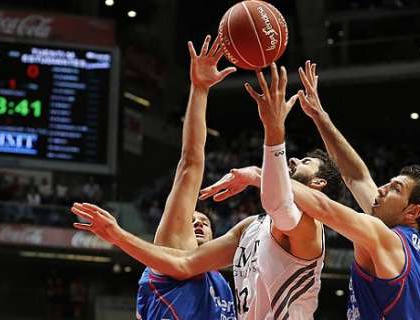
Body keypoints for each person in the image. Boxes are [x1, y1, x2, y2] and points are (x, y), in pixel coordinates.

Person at [72, 63, 344, 319]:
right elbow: (185, 261)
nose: (295, 160)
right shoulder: (247, 230)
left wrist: (272, 137)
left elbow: (281, 202)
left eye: (306, 161)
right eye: (194, 222)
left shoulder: (306, 227)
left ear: (319, 184)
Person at [206, 61, 420, 319]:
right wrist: (320, 116)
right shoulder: (404, 239)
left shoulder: (386, 239)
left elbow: (323, 207)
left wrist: (259, 174)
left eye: (395, 188)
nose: (382, 188)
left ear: (412, 211)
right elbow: (356, 176)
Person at [72, 34, 237, 320]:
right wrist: (199, 90)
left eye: (205, 222)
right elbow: (191, 162)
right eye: (191, 220)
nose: (197, 224)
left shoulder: (223, 286)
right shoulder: (175, 250)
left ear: (215, 236)